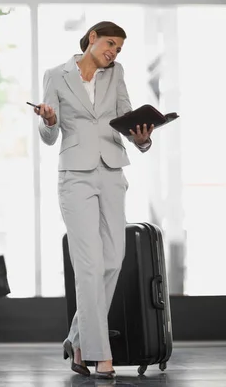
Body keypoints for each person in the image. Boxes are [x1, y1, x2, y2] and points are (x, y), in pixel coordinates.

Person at [34, 21, 153, 379]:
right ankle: (101, 355)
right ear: (91, 39)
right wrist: (50, 120)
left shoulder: (116, 74)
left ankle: (78, 340)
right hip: (75, 176)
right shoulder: (56, 75)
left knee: (113, 259)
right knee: (88, 264)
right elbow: (47, 135)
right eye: (110, 44)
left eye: (118, 49)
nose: (114, 52)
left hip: (112, 171)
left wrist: (142, 137)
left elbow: (127, 118)